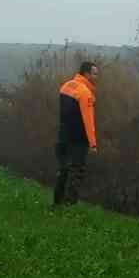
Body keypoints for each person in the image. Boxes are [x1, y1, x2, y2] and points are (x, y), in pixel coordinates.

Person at [54, 60, 99, 207]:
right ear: (86, 74)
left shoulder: (66, 86)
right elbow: (88, 119)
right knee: (77, 171)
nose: (96, 76)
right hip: (78, 138)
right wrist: (93, 143)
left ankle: (57, 202)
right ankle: (70, 206)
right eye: (94, 73)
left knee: (63, 170)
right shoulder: (84, 92)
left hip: (62, 135)